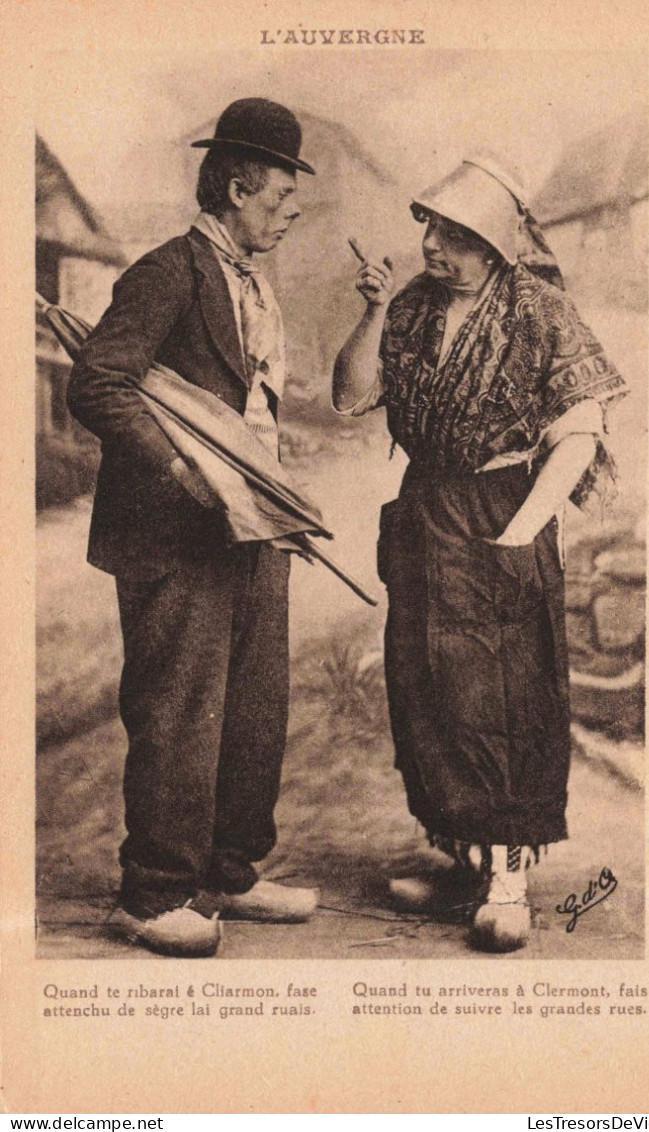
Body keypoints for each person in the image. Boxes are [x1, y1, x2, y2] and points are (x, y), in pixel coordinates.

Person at [332, 156, 628, 952]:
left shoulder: (539, 310)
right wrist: (367, 312)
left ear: (496, 243)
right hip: (427, 510)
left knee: (497, 696)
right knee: (425, 688)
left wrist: (521, 530)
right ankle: (463, 861)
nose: (435, 246)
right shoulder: (410, 307)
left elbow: (578, 430)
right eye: (431, 228)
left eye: (458, 236)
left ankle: (508, 882)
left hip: (501, 510)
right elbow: (350, 396)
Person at [67, 98, 319, 957]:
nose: (291, 214)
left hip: (251, 528)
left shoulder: (252, 282)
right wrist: (184, 474)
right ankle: (151, 895)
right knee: (179, 711)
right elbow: (98, 383)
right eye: (283, 198)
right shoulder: (167, 271)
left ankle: (226, 875)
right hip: (173, 533)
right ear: (239, 186)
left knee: (253, 709)